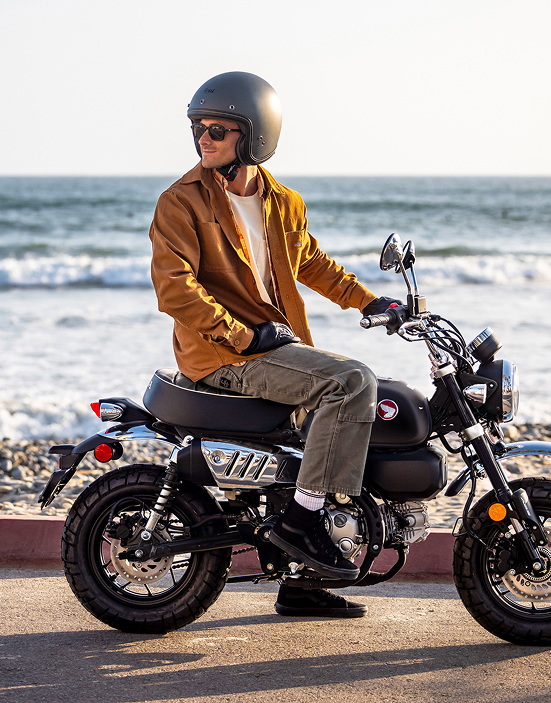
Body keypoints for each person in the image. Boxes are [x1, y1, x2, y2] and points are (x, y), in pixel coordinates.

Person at [148, 72, 402, 618]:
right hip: (221, 354)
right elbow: (175, 290)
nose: (204, 138)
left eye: (218, 129)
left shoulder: (284, 202)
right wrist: (242, 335)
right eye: (198, 128)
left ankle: (303, 582)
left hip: (271, 347)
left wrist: (370, 302)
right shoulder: (180, 202)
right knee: (351, 382)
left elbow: (312, 263)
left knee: (331, 422)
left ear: (255, 135)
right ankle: (303, 522)